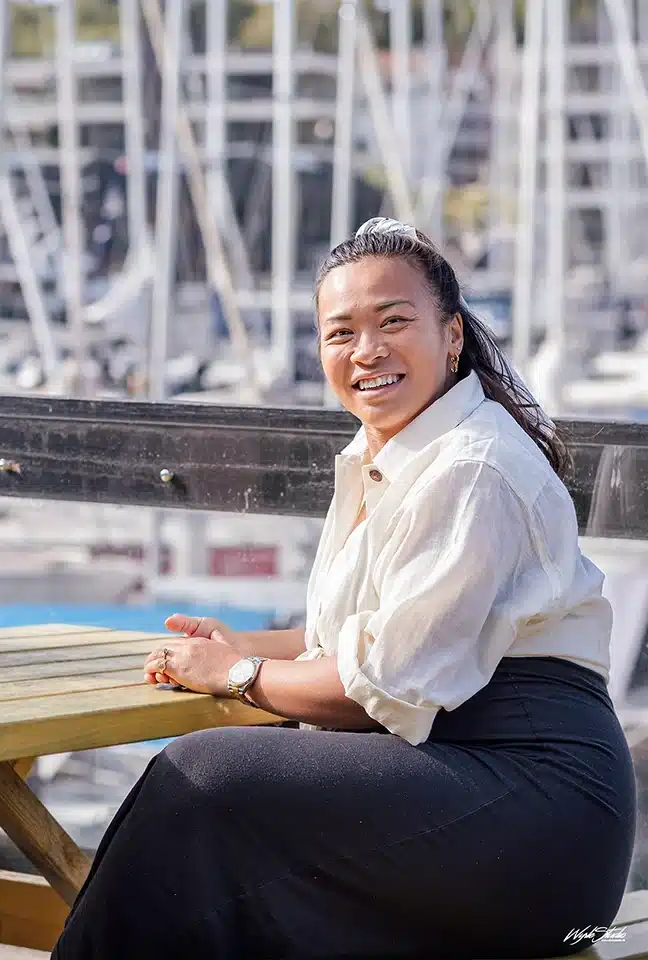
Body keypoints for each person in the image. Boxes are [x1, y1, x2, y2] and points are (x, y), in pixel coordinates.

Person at [51, 218, 637, 959]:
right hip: (464, 789)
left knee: (204, 778)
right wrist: (241, 644)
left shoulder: (472, 467)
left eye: (395, 321)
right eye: (341, 332)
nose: (367, 351)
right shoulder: (381, 455)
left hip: (541, 825)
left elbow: (383, 684)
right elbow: (369, 635)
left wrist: (239, 675)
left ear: (451, 336)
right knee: (209, 836)